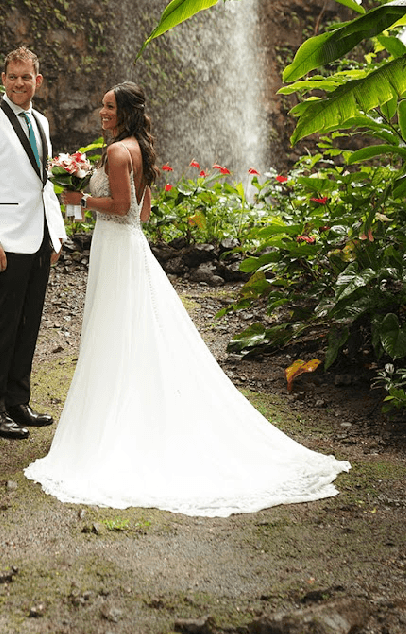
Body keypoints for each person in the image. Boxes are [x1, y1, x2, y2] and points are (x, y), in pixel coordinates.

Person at [24, 81, 351, 516]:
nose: (101, 112)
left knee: (113, 328)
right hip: (129, 246)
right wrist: (84, 205)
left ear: (124, 111)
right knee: (130, 328)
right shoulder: (138, 148)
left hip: (117, 248)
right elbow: (142, 213)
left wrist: (79, 199)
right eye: (101, 105)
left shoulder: (118, 152)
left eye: (108, 106)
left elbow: (121, 208)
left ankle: (115, 422)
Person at [0, 47, 67, 439]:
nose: (20, 83)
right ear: (3, 79)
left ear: (37, 80)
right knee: (5, 323)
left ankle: (17, 401)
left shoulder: (40, 121)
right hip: (5, 239)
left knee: (30, 322)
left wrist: (56, 233)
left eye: (27, 77)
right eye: (13, 76)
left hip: (39, 236)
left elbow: (46, 183)